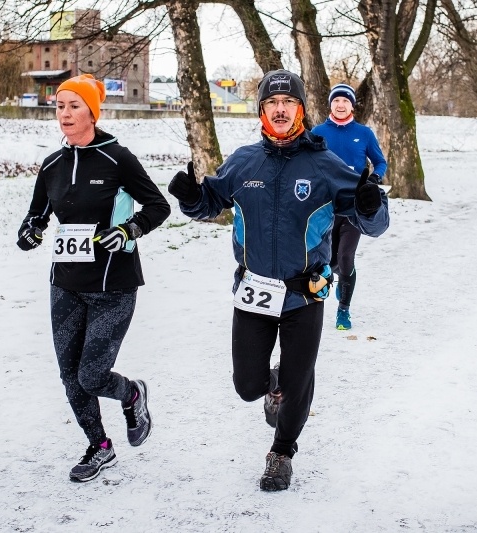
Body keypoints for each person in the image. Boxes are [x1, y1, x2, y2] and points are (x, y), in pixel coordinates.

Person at [166, 69, 389, 492]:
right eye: (272, 103)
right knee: (247, 386)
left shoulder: (325, 165)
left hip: (305, 295)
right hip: (253, 292)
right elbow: (208, 203)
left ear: (301, 110)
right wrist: (192, 197)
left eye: (289, 102)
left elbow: (374, 224)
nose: (280, 109)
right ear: (263, 111)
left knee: (298, 380)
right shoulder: (244, 161)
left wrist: (369, 204)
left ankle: (281, 452)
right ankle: (273, 384)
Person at [15, 74, 171, 482]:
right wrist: (29, 232)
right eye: (60, 107)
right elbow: (36, 217)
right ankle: (99, 446)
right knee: (70, 376)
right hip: (65, 285)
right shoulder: (51, 165)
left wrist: (128, 231)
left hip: (113, 286)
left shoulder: (117, 157)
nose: (65, 114)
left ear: (92, 112)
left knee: (92, 375)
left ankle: (132, 393)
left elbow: (158, 206)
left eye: (74, 106)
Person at [311, 83, 387, 330]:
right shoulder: (318, 132)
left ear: (352, 105)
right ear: (330, 104)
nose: (340, 105)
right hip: (324, 208)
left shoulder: (364, 133)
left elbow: (380, 162)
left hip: (353, 208)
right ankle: (333, 286)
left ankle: (343, 310)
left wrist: (374, 180)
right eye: (336, 101)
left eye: (345, 101)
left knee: (345, 257)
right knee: (327, 259)